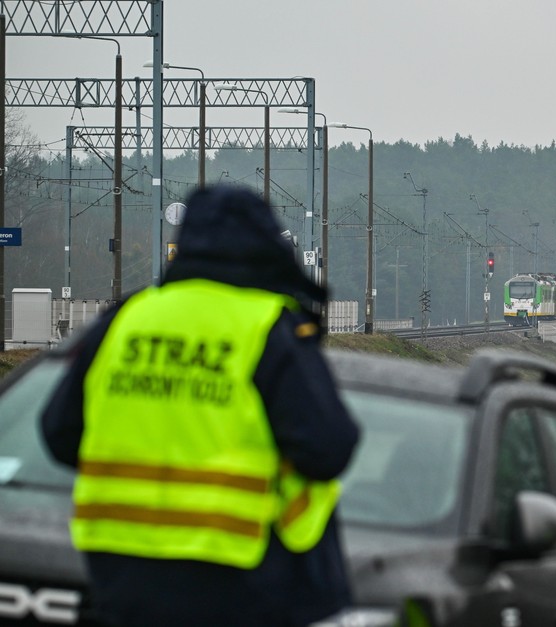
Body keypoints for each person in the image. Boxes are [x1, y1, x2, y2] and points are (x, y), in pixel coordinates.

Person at [41, 185, 361, 627]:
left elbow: (59, 433)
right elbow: (329, 448)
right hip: (233, 575)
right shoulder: (268, 324)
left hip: (121, 570)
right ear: (265, 244)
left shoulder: (127, 318)